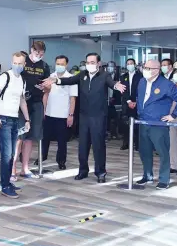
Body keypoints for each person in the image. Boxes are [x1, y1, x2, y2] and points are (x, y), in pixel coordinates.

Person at [41, 52, 126, 183]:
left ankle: (100, 172)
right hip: (84, 115)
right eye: (88, 62)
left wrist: (116, 85)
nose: (89, 65)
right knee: (83, 145)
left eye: (92, 62)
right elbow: (69, 80)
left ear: (98, 63)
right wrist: (56, 80)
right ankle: (83, 170)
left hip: (98, 116)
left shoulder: (104, 75)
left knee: (98, 145)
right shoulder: (82, 75)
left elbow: (111, 82)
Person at [135, 59, 177, 190]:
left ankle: (164, 179)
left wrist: (173, 115)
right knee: (144, 151)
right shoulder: (141, 82)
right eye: (145, 67)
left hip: (158, 123)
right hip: (143, 121)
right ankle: (147, 175)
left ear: (157, 70)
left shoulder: (166, 84)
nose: (146, 70)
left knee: (163, 152)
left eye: (149, 68)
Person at [0, 52, 29, 199]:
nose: (17, 65)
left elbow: (22, 101)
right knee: (6, 154)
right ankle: (5, 185)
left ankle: (5, 181)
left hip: (14, 120)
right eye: (15, 62)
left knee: (12, 153)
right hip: (3, 120)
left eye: (20, 63)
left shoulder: (22, 80)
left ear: (24, 64)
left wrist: (27, 119)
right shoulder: (5, 76)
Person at [12, 41, 50, 179]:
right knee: (19, 137)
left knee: (30, 137)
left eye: (41, 53)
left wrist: (46, 87)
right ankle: (12, 169)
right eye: (36, 52)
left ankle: (25, 168)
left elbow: (48, 88)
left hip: (36, 103)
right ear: (31, 50)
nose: (39, 55)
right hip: (21, 104)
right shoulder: (23, 61)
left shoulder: (44, 66)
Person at [40, 55, 77, 170]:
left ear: (66, 65)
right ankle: (42, 157)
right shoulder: (50, 77)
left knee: (62, 141)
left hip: (63, 115)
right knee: (45, 138)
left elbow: (72, 99)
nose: (59, 66)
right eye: (57, 63)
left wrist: (70, 115)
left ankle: (61, 161)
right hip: (49, 113)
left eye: (62, 64)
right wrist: (44, 110)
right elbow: (46, 94)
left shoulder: (71, 78)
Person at [120, 58, 142, 151]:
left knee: (137, 125)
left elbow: (141, 90)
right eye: (128, 64)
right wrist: (128, 101)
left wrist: (136, 101)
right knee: (126, 124)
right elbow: (123, 90)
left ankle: (137, 144)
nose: (130, 65)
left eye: (131, 63)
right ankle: (126, 143)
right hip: (126, 103)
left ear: (135, 65)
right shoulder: (123, 76)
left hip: (137, 103)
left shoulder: (140, 76)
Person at [106, 61, 121, 140]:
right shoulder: (104, 76)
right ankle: (108, 133)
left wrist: (114, 97)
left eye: (111, 66)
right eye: (108, 66)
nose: (109, 68)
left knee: (116, 118)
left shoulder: (119, 77)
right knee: (107, 118)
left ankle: (115, 133)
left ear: (115, 68)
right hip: (106, 100)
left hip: (115, 100)